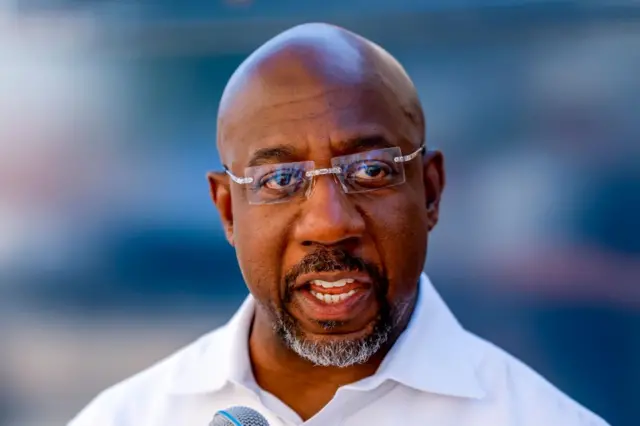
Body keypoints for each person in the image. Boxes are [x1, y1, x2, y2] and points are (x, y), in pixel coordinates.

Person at [68, 23, 609, 426]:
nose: (329, 224)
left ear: (431, 191)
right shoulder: (128, 417)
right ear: (229, 211)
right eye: (279, 179)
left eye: (371, 171)